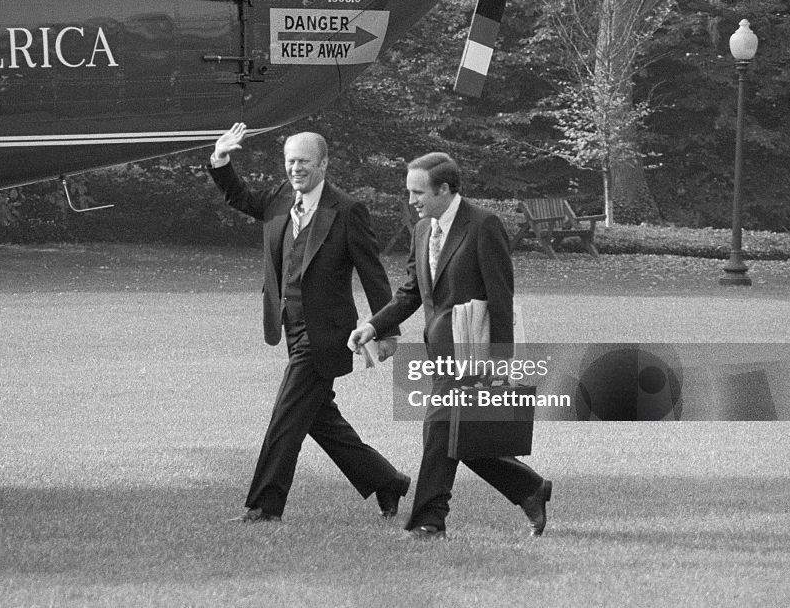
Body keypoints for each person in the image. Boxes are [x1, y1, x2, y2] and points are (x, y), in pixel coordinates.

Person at [209, 122, 411, 523]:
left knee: (286, 416)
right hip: (290, 327)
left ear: (323, 165)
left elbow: (372, 273)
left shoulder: (347, 210)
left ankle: (265, 507)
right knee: (320, 419)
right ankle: (387, 481)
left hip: (328, 334)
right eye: (289, 161)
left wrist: (386, 330)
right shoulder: (280, 198)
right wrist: (221, 160)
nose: (295, 169)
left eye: (303, 161)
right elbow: (240, 197)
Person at [347, 152, 552, 539]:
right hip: (439, 354)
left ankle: (429, 520)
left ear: (444, 189)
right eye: (410, 191)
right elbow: (411, 293)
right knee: (461, 436)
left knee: (439, 431)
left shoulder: (483, 225)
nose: (412, 200)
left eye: (418, 192)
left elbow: (501, 296)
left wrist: (501, 362)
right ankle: (528, 488)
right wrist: (373, 327)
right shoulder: (423, 230)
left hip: (474, 353)